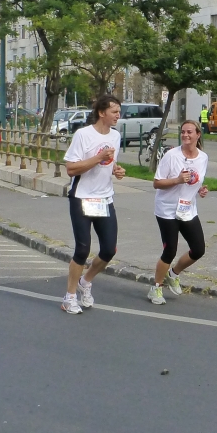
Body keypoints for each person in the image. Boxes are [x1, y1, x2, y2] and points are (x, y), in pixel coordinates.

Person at [61, 95, 126, 314]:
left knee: (109, 249)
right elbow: (71, 169)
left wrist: (116, 170)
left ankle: (85, 281)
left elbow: (110, 163)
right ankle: (69, 297)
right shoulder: (83, 134)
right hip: (82, 197)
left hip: (104, 198)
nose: (118, 115)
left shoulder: (115, 136)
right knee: (82, 249)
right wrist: (98, 158)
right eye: (114, 111)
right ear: (101, 113)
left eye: (119, 112)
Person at [148, 120, 210, 305]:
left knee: (198, 249)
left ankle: (173, 274)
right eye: (183, 132)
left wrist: (200, 190)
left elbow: (195, 181)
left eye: (189, 132)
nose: (185, 135)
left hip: (187, 209)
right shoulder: (171, 156)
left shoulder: (203, 157)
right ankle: (156, 288)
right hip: (167, 209)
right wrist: (177, 180)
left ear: (198, 134)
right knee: (170, 250)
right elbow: (157, 183)